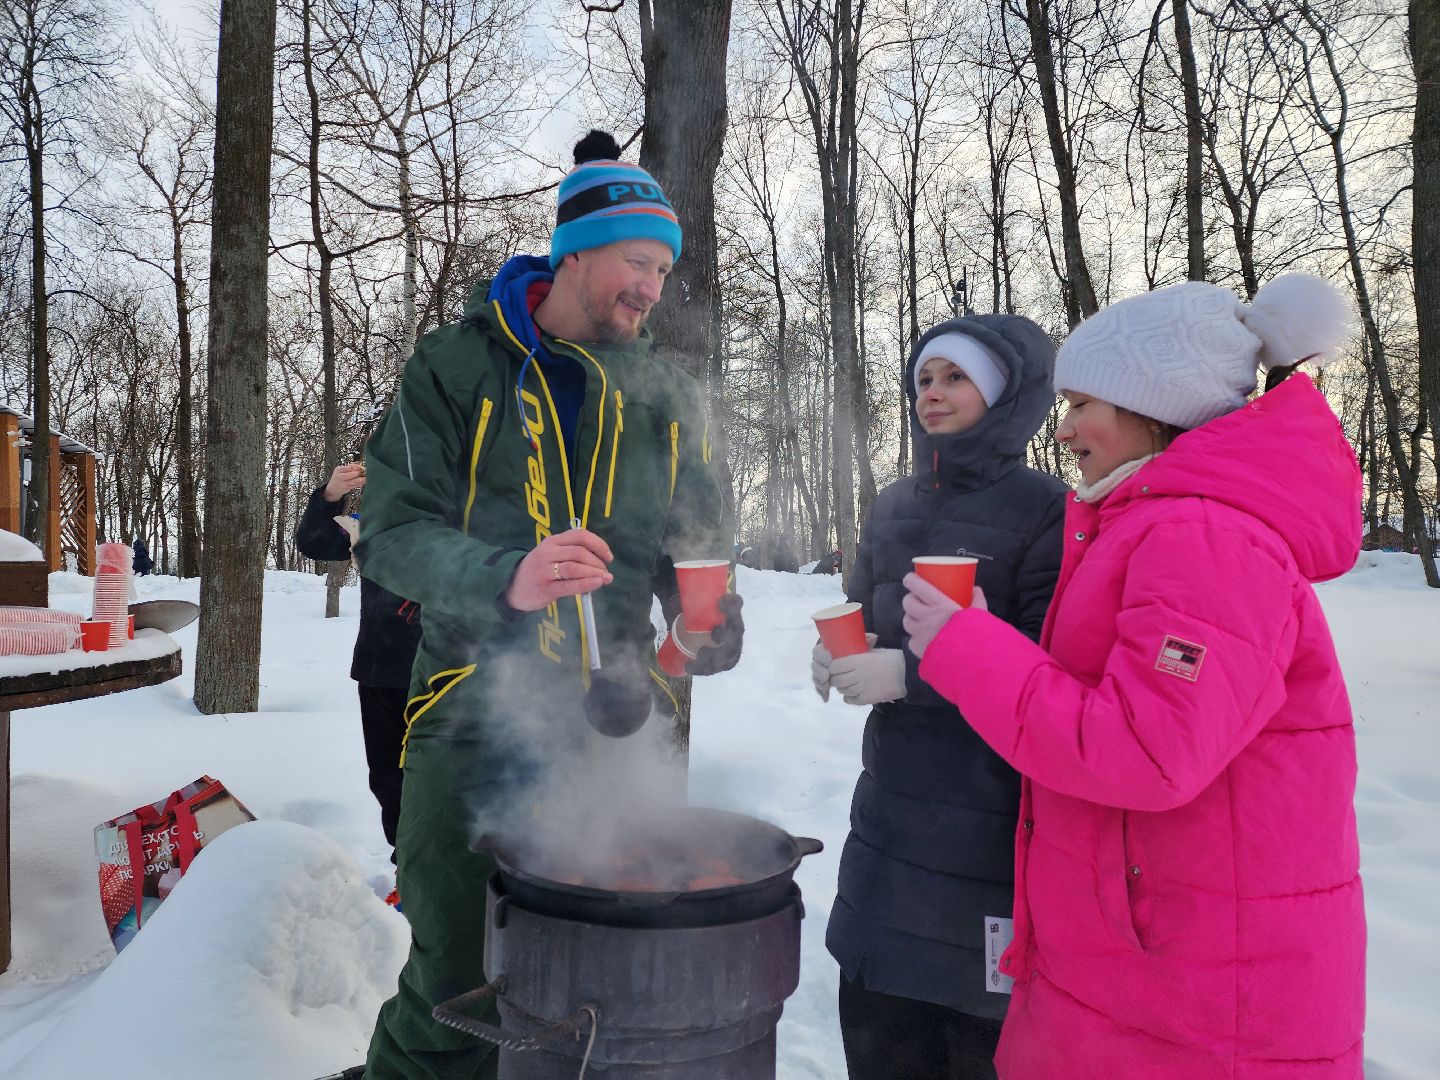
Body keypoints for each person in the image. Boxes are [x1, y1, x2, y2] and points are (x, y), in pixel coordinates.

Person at [903, 275, 1365, 1076]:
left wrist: (966, 647)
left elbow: (1148, 750)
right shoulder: (1146, 523)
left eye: (1083, 404)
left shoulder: (1205, 536)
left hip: (1200, 1006)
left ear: (1153, 407)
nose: (1067, 429)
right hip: (1147, 975)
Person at [353, 130, 741, 1080]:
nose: (653, 287)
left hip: (628, 719)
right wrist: (506, 576)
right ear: (575, 251)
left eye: (664, 269)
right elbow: (390, 529)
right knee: (455, 973)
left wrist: (713, 620)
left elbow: (700, 546)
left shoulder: (667, 394)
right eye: (636, 261)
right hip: (471, 706)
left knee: (611, 972)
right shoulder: (455, 364)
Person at [813, 315, 1067, 1080]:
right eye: (924, 378)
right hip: (890, 813)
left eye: (955, 377)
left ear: (1000, 393)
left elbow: (1047, 663)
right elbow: (859, 601)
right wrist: (836, 653)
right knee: (879, 1021)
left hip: (988, 821)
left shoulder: (1047, 510)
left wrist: (911, 677)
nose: (933, 392)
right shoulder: (892, 503)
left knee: (972, 1043)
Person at [293, 459, 421, 887]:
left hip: (444, 672)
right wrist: (330, 495)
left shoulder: (464, 513)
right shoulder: (373, 520)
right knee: (388, 778)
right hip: (379, 666)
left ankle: (438, 875)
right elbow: (313, 542)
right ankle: (407, 869)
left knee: (437, 777)